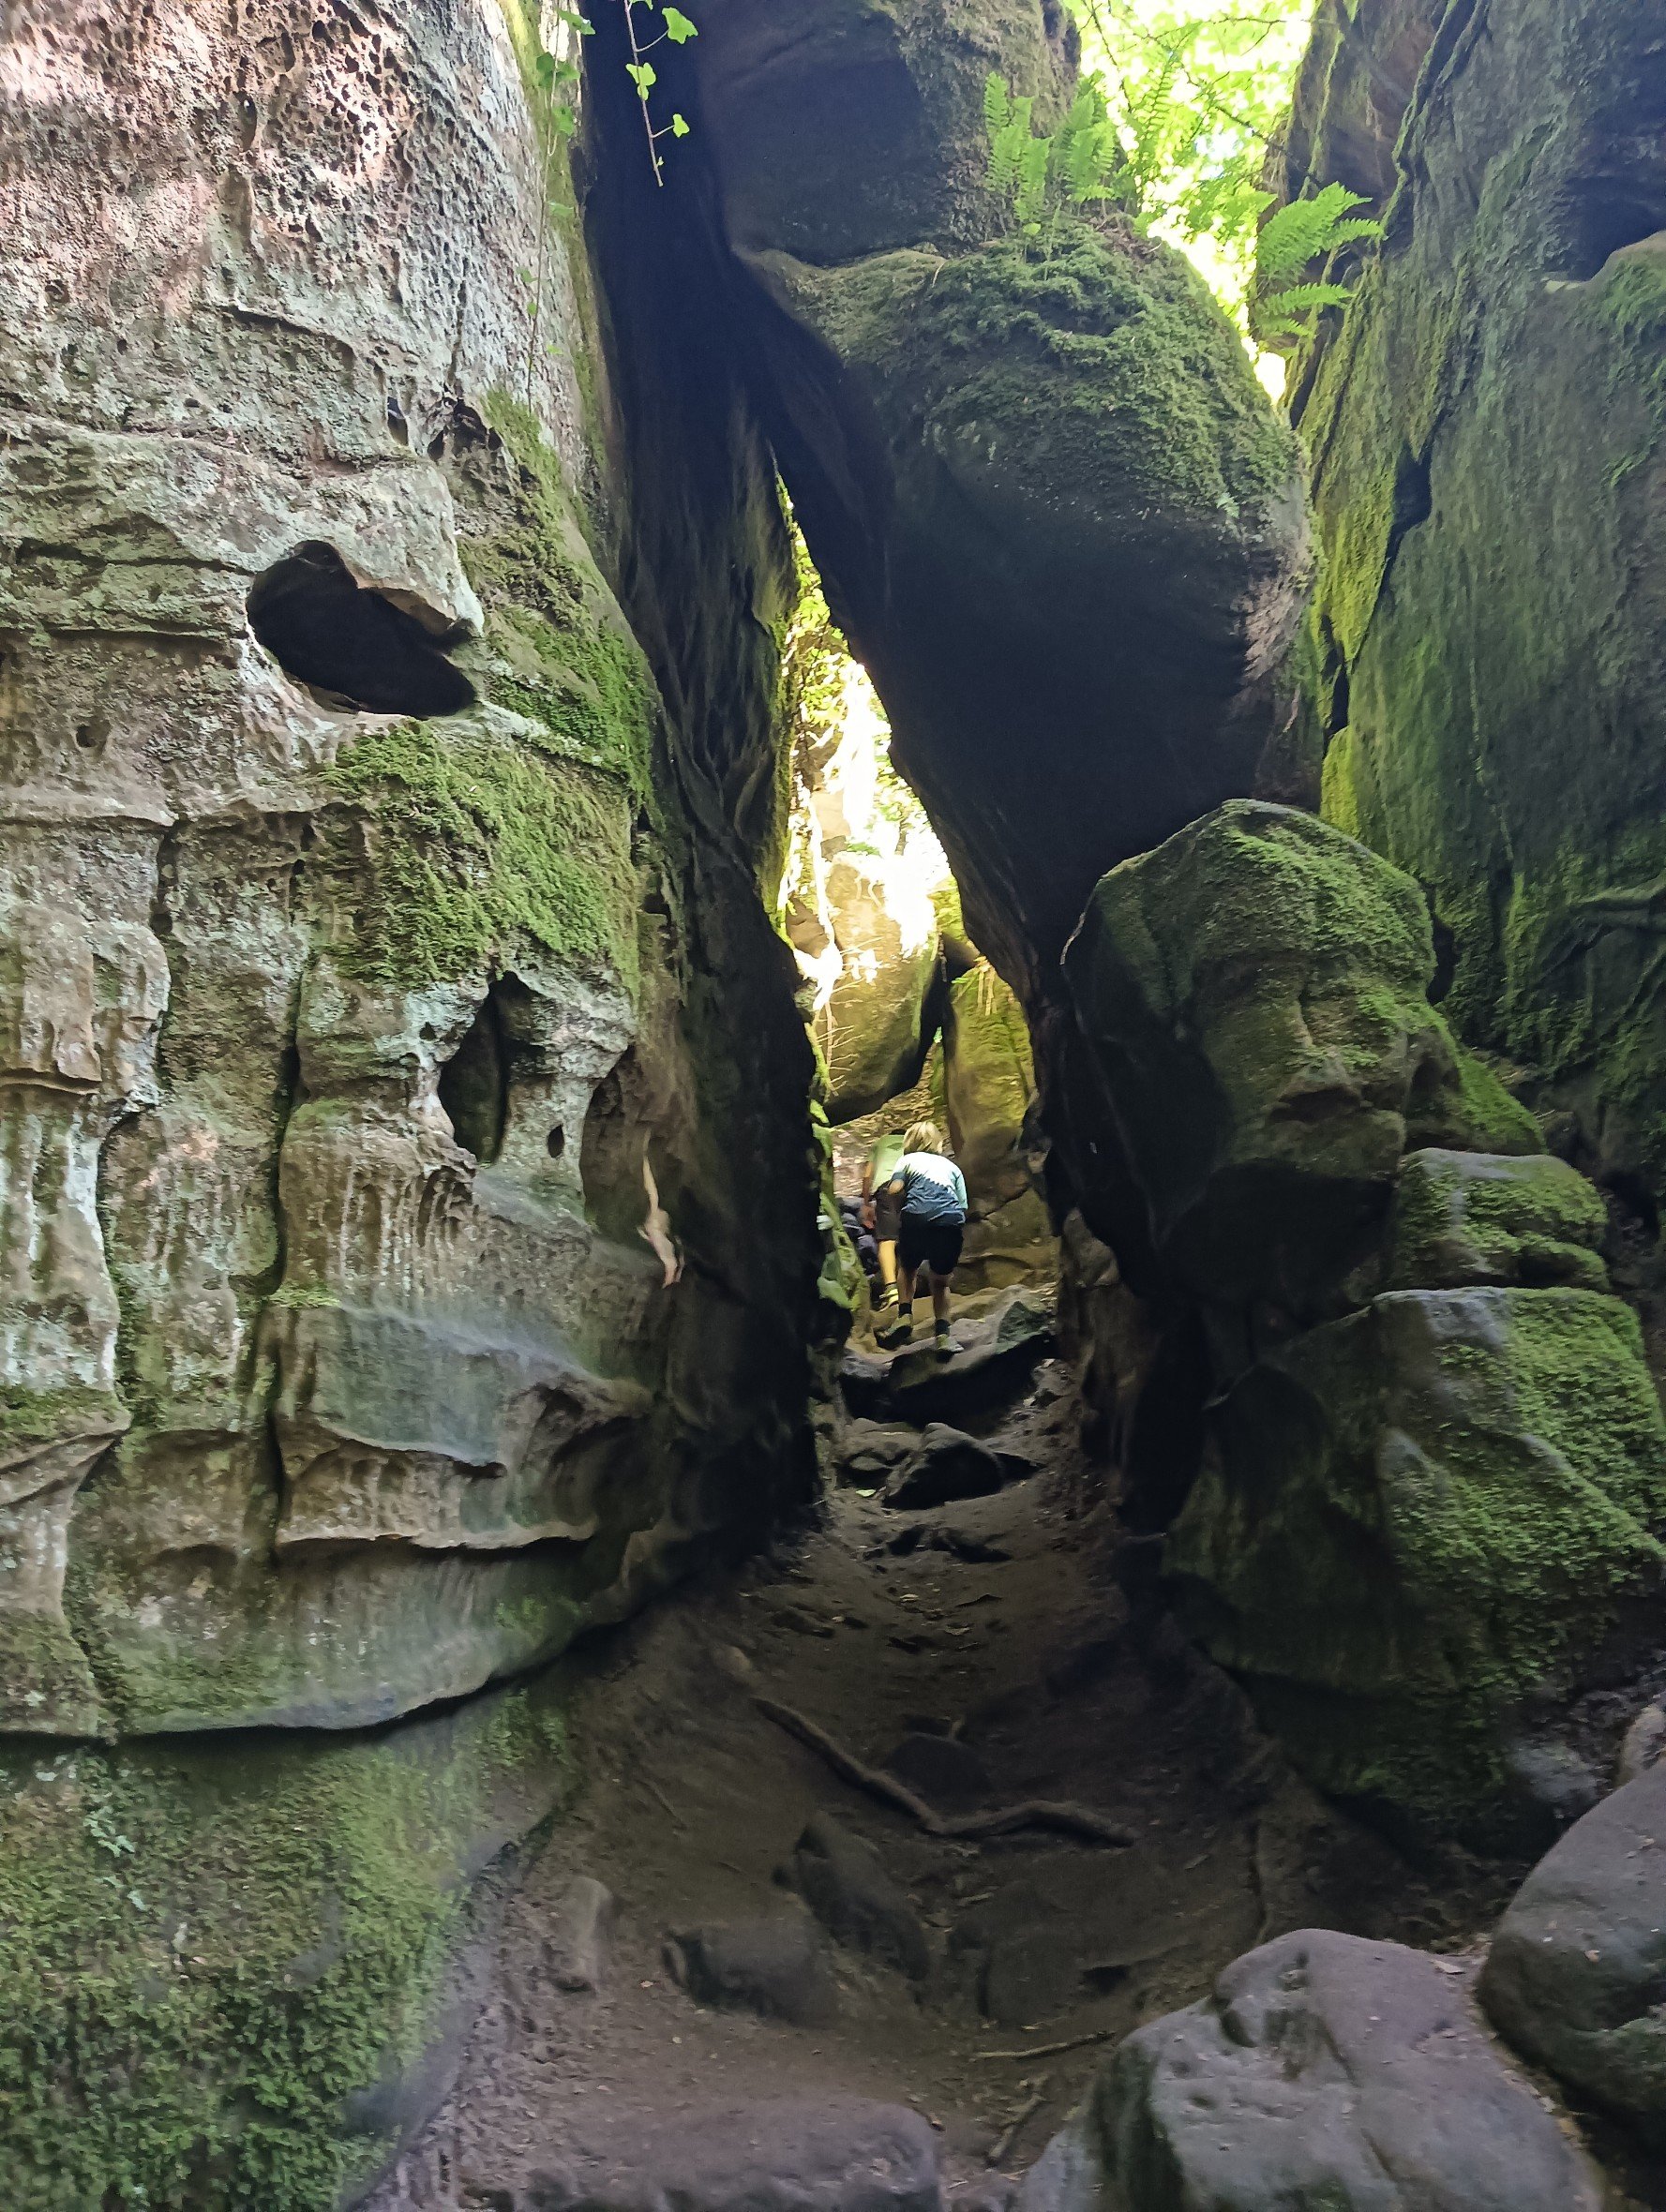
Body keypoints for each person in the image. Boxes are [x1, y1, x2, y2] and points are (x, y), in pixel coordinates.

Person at [883, 1119, 968, 1357]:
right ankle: (943, 1336)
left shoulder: (907, 1160)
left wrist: (899, 1205)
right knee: (940, 1282)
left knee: (908, 1268)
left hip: (916, 1220)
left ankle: (904, 1316)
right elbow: (962, 1206)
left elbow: (895, 1188)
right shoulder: (951, 1167)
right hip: (949, 1222)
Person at [861, 1127, 908, 1343]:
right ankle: (908, 1286)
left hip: (886, 1188)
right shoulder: (911, 1139)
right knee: (908, 1237)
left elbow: (867, 1174)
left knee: (887, 1240)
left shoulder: (879, 1143)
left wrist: (865, 1203)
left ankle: (891, 1291)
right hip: (910, 1185)